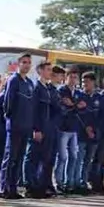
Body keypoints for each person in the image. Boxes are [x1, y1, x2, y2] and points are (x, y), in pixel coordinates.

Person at [0, 53, 34, 200]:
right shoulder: (14, 80)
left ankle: (13, 188)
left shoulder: (30, 83)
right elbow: (7, 104)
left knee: (19, 158)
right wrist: (11, 119)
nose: (26, 65)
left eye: (28, 63)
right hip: (15, 125)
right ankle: (4, 188)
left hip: (26, 126)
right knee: (10, 157)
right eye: (24, 62)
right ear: (18, 64)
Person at [23, 62, 52, 198]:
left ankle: (39, 186)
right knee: (32, 157)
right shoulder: (36, 87)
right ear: (40, 71)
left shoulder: (46, 88)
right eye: (47, 70)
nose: (50, 72)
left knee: (42, 158)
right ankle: (30, 186)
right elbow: (33, 110)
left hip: (46, 127)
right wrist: (35, 128)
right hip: (37, 128)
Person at [55, 67, 83, 194]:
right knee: (62, 157)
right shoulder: (62, 90)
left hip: (74, 128)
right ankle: (59, 183)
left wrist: (73, 106)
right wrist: (75, 106)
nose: (73, 80)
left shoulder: (78, 93)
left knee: (74, 156)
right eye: (70, 77)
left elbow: (81, 108)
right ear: (66, 78)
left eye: (75, 77)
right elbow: (64, 109)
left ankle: (69, 182)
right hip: (63, 128)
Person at [75, 72, 100, 194]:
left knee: (88, 160)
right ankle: (77, 183)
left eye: (87, 82)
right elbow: (78, 114)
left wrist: (93, 130)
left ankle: (84, 182)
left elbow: (100, 116)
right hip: (81, 133)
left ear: (93, 82)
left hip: (94, 134)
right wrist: (87, 128)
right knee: (78, 159)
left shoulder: (98, 97)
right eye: (83, 82)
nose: (85, 84)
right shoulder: (79, 95)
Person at [40, 66, 64, 196]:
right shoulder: (48, 89)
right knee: (46, 158)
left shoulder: (55, 90)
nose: (62, 79)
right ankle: (43, 184)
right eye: (60, 75)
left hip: (55, 128)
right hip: (48, 127)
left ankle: (48, 184)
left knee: (51, 159)